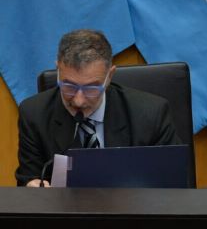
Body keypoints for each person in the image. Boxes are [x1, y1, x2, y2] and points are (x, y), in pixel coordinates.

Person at [15, 29, 181, 187]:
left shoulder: (150, 114)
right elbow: (28, 178)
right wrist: (33, 187)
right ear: (58, 69)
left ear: (110, 76)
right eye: (69, 86)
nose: (79, 101)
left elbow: (173, 182)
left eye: (91, 88)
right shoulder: (34, 114)